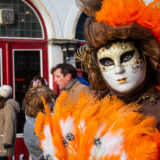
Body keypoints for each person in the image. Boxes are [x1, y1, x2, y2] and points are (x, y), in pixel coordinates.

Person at [35, 0, 160, 159]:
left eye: (127, 57)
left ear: (147, 57)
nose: (118, 70)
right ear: (98, 68)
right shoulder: (95, 107)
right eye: (107, 62)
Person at [23, 86, 56, 160]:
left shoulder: (36, 120)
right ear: (41, 105)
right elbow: (56, 150)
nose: (54, 103)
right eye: (50, 101)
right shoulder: (36, 127)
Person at [0, 85, 19, 160]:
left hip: (3, 142)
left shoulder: (8, 106)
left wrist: (7, 141)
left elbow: (9, 123)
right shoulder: (2, 105)